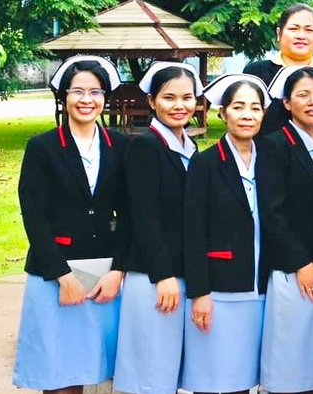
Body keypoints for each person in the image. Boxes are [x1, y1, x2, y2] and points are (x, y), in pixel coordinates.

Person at [13, 55, 128, 394]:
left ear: (105, 98)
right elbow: (34, 215)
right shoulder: (42, 147)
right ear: (64, 97)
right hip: (56, 271)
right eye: (77, 91)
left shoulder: (120, 146)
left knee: (99, 365)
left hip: (103, 272)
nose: (86, 100)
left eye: (95, 92)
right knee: (60, 372)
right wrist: (63, 276)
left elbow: (130, 213)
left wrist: (118, 271)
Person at [115, 61, 202, 394]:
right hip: (154, 276)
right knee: (150, 373)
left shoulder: (189, 147)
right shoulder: (144, 147)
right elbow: (143, 216)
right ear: (151, 101)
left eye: (186, 98)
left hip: (179, 272)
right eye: (169, 98)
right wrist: (162, 275)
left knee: (168, 371)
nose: (179, 106)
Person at [181, 74, 270, 394]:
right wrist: (200, 293)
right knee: (211, 379)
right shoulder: (204, 164)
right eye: (239, 107)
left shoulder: (271, 161)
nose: (247, 114)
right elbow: (193, 231)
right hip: (219, 290)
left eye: (255, 108)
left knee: (244, 380)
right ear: (223, 113)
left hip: (260, 289)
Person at [259, 65, 313, 394]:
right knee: (290, 361)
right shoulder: (275, 145)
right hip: (294, 269)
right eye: (303, 95)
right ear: (288, 103)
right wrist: (299, 262)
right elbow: (271, 211)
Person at [246, 3, 313, 138]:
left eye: (309, 30)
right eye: (293, 29)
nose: (301, 36)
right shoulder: (256, 72)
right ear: (279, 33)